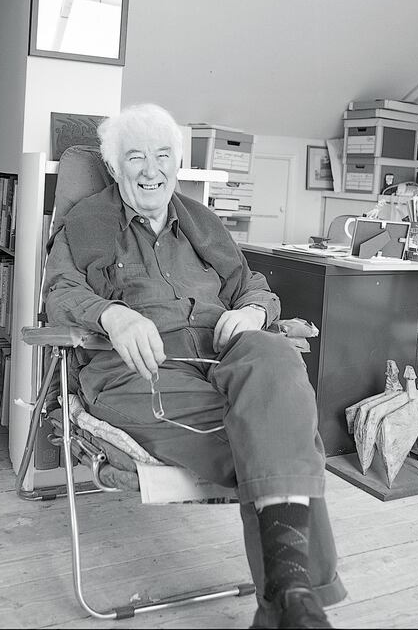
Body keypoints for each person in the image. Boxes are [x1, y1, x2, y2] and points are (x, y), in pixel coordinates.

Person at [43, 104, 346, 629]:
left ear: (177, 164)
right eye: (134, 157)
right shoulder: (85, 222)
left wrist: (253, 311)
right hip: (140, 368)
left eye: (162, 155)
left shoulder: (204, 223)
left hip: (221, 353)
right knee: (278, 432)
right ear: (114, 168)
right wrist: (112, 314)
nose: (151, 169)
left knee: (275, 355)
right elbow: (60, 292)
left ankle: (289, 597)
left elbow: (252, 286)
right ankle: (293, 598)